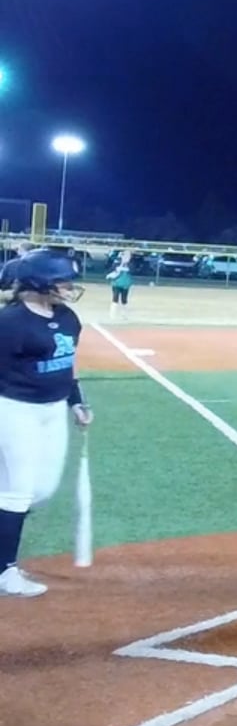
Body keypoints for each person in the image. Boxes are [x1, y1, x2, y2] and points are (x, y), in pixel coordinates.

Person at [0, 249, 93, 598]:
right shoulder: (10, 323)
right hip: (15, 410)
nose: (69, 288)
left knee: (42, 490)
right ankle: (4, 570)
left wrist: (77, 400)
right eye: (62, 282)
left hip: (53, 410)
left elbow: (68, 362)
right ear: (39, 283)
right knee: (17, 490)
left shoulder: (68, 317)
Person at [105, 251, 135, 321]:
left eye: (128, 256)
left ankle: (124, 315)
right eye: (125, 256)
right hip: (116, 283)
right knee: (115, 298)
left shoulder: (131, 264)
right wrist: (119, 267)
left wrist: (125, 267)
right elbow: (112, 269)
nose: (127, 258)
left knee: (124, 300)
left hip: (125, 284)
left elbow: (132, 271)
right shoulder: (117, 262)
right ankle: (112, 315)